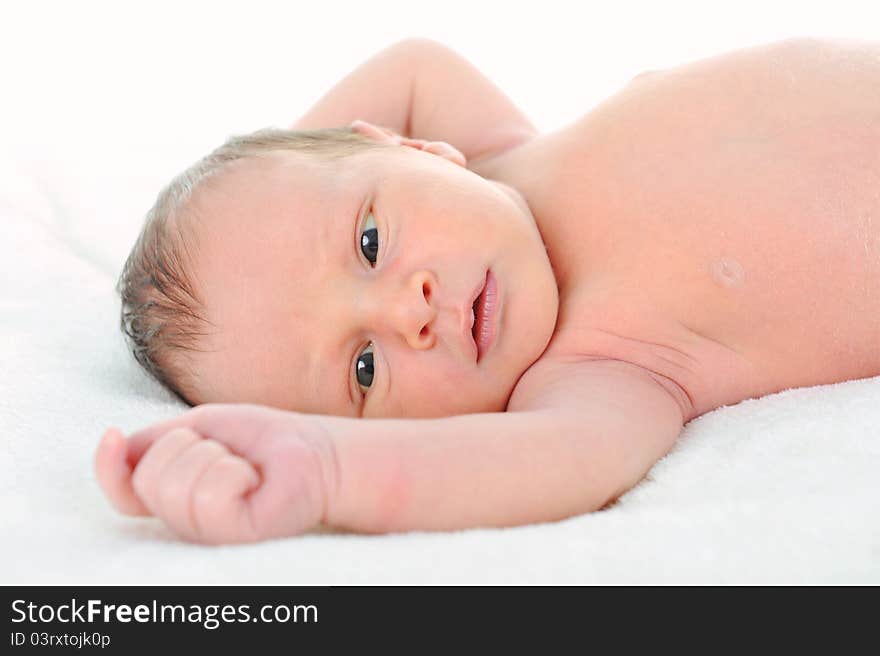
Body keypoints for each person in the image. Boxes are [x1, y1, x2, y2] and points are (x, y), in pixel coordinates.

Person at [95, 37, 880, 543]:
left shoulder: (506, 155)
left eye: (370, 242)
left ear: (410, 148)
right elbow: (550, 463)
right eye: (364, 370)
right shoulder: (596, 371)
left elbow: (411, 65)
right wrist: (326, 468)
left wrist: (293, 170)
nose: (410, 311)